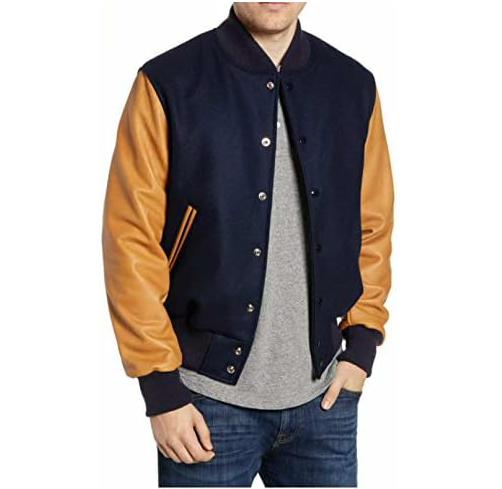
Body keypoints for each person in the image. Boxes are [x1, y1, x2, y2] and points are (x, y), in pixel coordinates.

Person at [102, 2, 394, 486]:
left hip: (325, 400)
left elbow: (372, 224)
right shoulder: (168, 82)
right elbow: (130, 239)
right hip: (202, 404)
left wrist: (361, 346)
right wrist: (161, 390)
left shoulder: (354, 86)